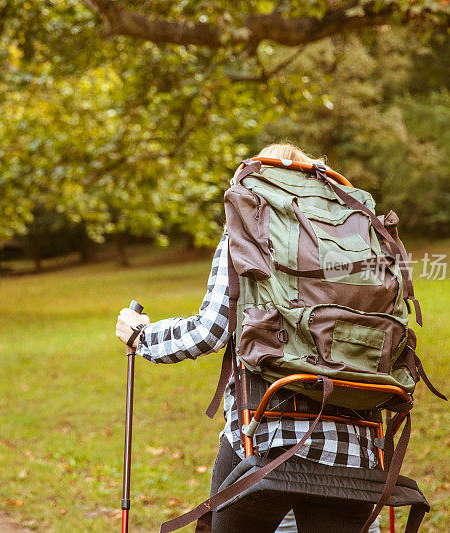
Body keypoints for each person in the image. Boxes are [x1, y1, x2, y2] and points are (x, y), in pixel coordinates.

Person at [115, 143, 381, 533]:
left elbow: (210, 331)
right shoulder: (357, 242)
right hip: (355, 444)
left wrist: (143, 336)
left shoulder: (249, 234)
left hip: (267, 435)